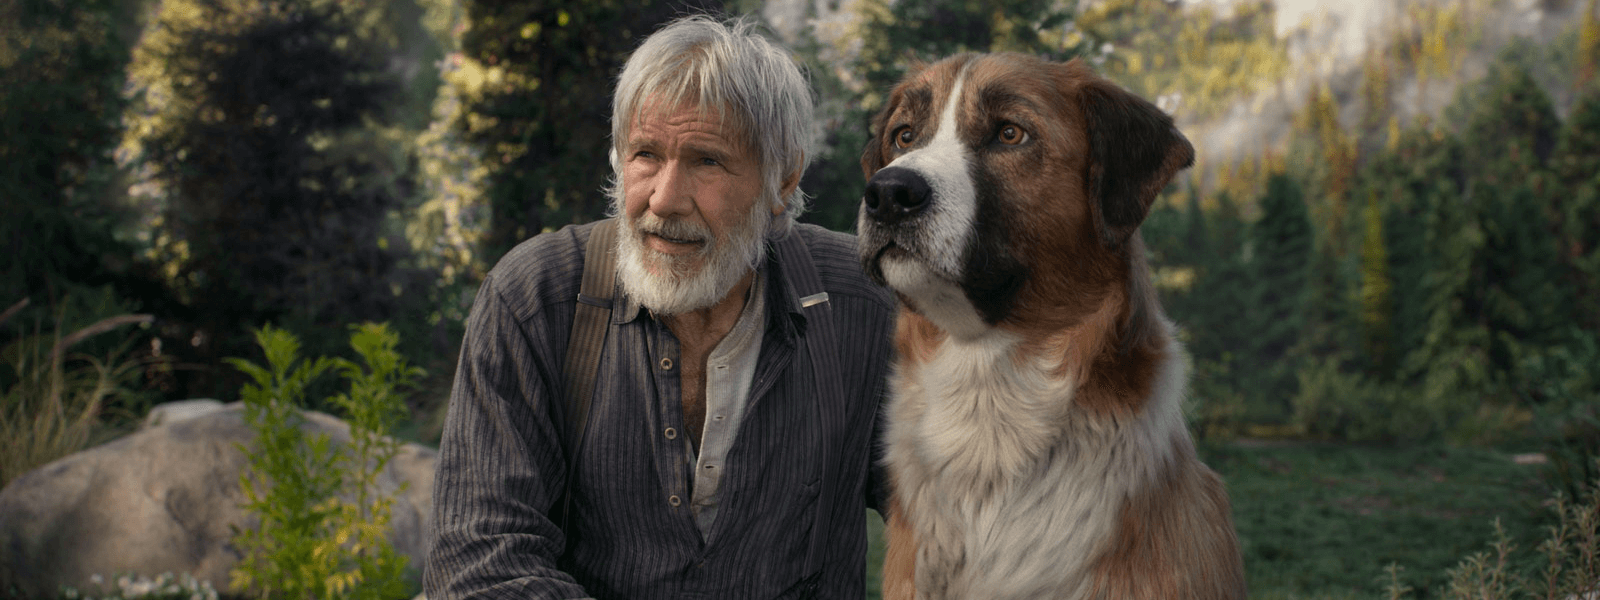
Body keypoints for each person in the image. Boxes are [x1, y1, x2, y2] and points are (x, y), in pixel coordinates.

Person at [423, 14, 896, 600]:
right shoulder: (536, 300)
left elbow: (950, 519)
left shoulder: (863, 305)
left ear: (783, 180)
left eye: (708, 161)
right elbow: (481, 563)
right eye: (645, 154)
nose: (665, 200)